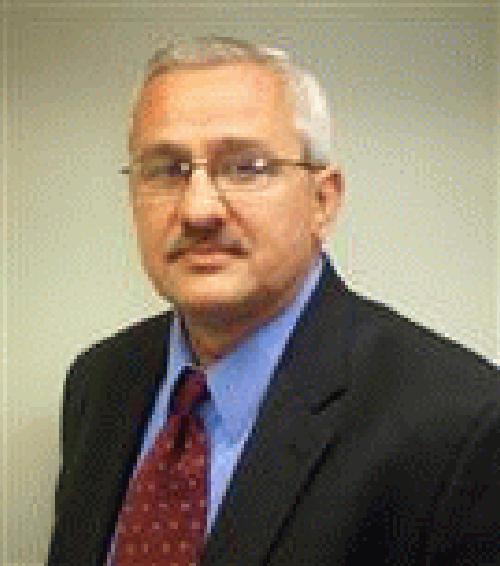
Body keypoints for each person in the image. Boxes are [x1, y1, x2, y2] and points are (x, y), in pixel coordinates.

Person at [47, 37, 499, 566]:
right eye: (167, 170)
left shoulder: (461, 426)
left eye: (246, 167)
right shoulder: (99, 383)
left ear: (322, 200)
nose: (198, 210)